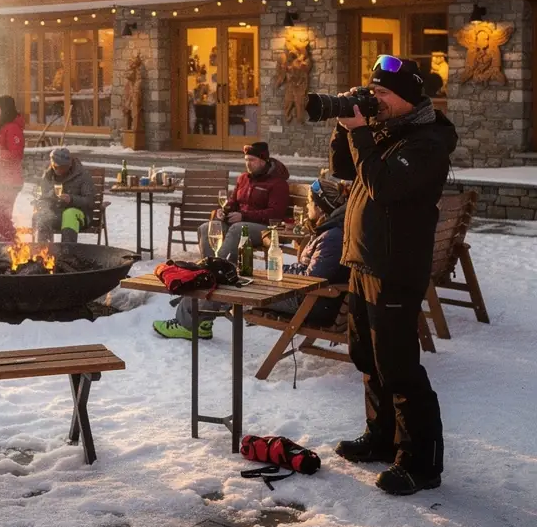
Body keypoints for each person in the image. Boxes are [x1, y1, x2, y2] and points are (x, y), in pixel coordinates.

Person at [331, 55, 456, 496]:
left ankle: (420, 463)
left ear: (407, 98)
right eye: (373, 91)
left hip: (396, 268)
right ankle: (381, 438)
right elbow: (346, 171)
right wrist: (343, 125)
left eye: (383, 93)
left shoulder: (427, 143)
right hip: (364, 261)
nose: (375, 98)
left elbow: (384, 188)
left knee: (399, 368)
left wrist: (361, 133)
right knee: (367, 358)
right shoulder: (387, 133)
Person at [153, 142, 290, 341]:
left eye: (252, 160)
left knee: (235, 230)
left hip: (264, 229)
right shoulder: (244, 179)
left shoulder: (277, 184)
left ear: (264, 160)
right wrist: (223, 211)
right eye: (246, 160)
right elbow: (233, 202)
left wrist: (244, 215)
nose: (248, 164)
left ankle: (213, 274)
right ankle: (213, 279)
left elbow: (275, 213)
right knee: (207, 227)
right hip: (240, 223)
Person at [272, 177, 349, 326]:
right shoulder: (329, 231)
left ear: (320, 208)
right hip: (312, 299)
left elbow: (311, 279)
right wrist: (281, 270)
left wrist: (280, 273)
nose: (307, 206)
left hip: (312, 303)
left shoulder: (333, 237)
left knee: (244, 295)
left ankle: (217, 310)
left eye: (309, 202)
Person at [0, 95, 25, 242]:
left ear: (5, 109)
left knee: (3, 219)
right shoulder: (3, 127)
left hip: (9, 182)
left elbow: (15, 155)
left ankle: (9, 250)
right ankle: (2, 250)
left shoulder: (12, 128)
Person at [35, 147, 95, 244]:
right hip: (56, 214)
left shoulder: (83, 175)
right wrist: (49, 197)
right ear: (52, 164)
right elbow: (41, 197)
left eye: (63, 167)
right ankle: (44, 252)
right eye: (56, 167)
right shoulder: (48, 175)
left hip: (80, 216)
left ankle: (67, 251)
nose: (59, 170)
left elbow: (90, 201)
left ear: (69, 164)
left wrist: (72, 199)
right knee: (44, 215)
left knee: (69, 214)